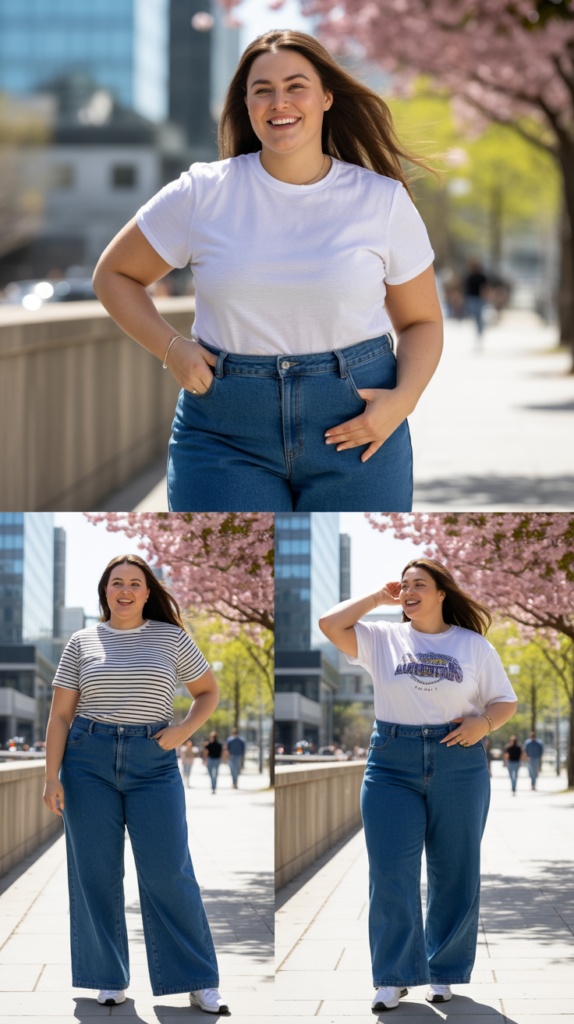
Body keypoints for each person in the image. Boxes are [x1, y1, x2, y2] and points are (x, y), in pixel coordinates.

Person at [92, 30, 443, 513]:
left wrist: (403, 401)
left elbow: (422, 321)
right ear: (247, 104)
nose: (280, 102)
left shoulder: (382, 201)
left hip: (358, 426)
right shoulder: (202, 193)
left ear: (326, 97)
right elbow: (114, 275)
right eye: (263, 90)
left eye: (296, 86)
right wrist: (171, 349)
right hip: (224, 432)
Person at [319, 557, 518, 1013]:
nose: (409, 591)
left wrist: (484, 724)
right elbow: (329, 623)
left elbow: (504, 701)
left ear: (442, 593)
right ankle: (393, 977)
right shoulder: (382, 637)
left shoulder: (473, 645)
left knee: (456, 870)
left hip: (458, 761)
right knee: (390, 872)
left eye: (419, 584)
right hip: (392, 763)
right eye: (404, 585)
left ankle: (444, 969)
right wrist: (377, 597)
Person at [42, 554, 228, 1015]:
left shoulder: (171, 637)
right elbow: (60, 715)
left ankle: (198, 980)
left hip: (154, 760)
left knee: (170, 870)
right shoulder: (82, 642)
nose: (124, 590)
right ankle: (107, 978)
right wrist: (50, 777)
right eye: (116, 582)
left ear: (147, 593)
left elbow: (208, 692)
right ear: (105, 591)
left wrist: (182, 732)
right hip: (87, 761)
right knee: (96, 873)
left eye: (134, 583)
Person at [464, 258, 488, 341]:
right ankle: (478, 331)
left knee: (479, 316)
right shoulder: (469, 277)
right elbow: (466, 288)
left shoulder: (481, 277)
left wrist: (485, 297)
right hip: (471, 299)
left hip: (479, 299)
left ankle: (480, 331)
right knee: (475, 316)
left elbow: (485, 288)